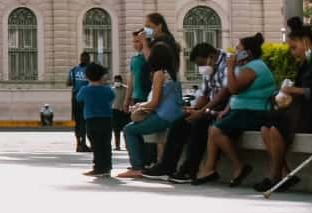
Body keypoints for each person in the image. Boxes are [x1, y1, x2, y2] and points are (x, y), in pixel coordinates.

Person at [261, 16, 312, 194]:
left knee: (275, 128)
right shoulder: (305, 64)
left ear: (305, 42)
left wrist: (294, 91)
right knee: (265, 127)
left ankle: (276, 177)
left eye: (293, 47)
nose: (292, 52)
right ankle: (285, 175)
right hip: (300, 112)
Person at [198, 33, 275, 187]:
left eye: (238, 49)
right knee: (214, 125)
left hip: (255, 112)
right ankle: (209, 169)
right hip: (241, 110)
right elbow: (236, 96)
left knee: (215, 131)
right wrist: (226, 109)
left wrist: (230, 67)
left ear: (248, 53)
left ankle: (239, 166)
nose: (234, 52)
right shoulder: (246, 66)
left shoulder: (254, 67)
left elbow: (233, 89)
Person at [159, 43, 230, 183]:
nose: (201, 68)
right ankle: (166, 166)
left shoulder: (227, 62)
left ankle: (190, 169)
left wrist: (201, 112)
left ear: (211, 57)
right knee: (179, 123)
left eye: (202, 63)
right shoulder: (209, 69)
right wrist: (195, 109)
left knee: (199, 124)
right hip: (209, 105)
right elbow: (204, 94)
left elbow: (224, 92)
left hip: (224, 107)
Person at [118, 34, 182, 180]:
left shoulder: (159, 74)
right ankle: (145, 163)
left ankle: (137, 167)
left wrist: (139, 106)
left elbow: (154, 103)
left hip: (163, 117)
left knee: (129, 129)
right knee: (137, 128)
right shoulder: (173, 73)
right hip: (174, 115)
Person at [77, 62, 115, 177]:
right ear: (102, 76)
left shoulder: (84, 90)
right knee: (106, 144)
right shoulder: (107, 89)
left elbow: (79, 99)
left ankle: (98, 167)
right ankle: (107, 166)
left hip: (91, 120)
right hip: (107, 119)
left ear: (86, 76)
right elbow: (112, 98)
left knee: (96, 144)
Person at [68, 51, 92, 152]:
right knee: (87, 121)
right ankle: (84, 144)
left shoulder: (73, 70)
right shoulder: (90, 70)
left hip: (76, 98)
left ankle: (79, 144)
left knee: (78, 122)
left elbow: (68, 83)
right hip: (87, 98)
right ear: (88, 60)